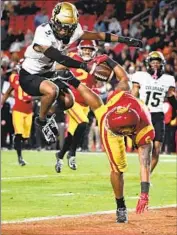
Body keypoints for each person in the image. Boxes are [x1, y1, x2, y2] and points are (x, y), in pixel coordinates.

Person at [18, 2, 142, 144]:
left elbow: (98, 36)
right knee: (52, 91)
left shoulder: (73, 30)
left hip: (47, 72)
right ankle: (41, 121)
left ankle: (49, 115)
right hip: (29, 75)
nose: (65, 31)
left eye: (69, 27)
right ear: (54, 21)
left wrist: (124, 39)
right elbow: (59, 58)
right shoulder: (43, 32)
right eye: (62, 27)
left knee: (69, 102)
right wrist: (85, 66)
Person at [64, 56, 155, 223]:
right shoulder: (119, 97)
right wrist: (109, 61)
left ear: (131, 129)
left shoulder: (145, 131)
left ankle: (72, 80)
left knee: (98, 105)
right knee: (118, 169)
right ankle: (120, 205)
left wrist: (144, 193)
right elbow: (123, 77)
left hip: (125, 118)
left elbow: (145, 164)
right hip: (108, 117)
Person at [55, 40, 99, 172]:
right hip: (72, 100)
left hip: (85, 103)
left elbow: (96, 81)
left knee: (73, 133)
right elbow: (57, 67)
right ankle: (72, 154)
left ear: (94, 51)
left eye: (89, 50)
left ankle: (60, 155)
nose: (87, 51)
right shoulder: (73, 56)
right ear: (80, 49)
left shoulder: (97, 63)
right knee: (84, 122)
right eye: (85, 49)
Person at [131, 51, 176, 173]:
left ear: (162, 64)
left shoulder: (168, 79)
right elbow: (133, 96)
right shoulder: (140, 76)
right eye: (153, 62)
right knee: (144, 148)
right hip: (144, 115)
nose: (155, 65)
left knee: (156, 149)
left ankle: (147, 175)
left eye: (158, 62)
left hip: (158, 116)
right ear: (148, 64)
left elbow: (171, 96)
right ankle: (144, 174)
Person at [1, 71, 33, 166]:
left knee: (25, 136)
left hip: (29, 111)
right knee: (19, 133)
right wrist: (1, 103)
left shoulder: (33, 78)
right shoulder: (14, 78)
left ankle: (16, 142)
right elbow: (8, 92)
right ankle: (20, 158)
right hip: (18, 110)